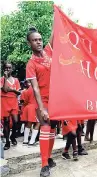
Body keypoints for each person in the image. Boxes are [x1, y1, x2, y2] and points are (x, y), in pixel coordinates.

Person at [26, 27, 57, 177]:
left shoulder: (49, 52)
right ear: (29, 43)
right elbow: (36, 89)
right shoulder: (30, 64)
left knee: (52, 130)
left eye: (39, 39)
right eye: (34, 40)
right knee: (45, 128)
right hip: (42, 101)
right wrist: (42, 108)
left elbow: (54, 32)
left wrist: (56, 14)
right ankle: (44, 165)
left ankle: (49, 157)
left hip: (56, 100)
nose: (38, 42)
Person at [1, 61, 20, 150]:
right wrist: (5, 78)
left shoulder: (16, 80)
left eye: (9, 68)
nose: (8, 69)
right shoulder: (1, 79)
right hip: (4, 101)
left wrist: (12, 90)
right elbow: (4, 89)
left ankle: (13, 136)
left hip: (13, 101)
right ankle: (7, 141)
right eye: (6, 68)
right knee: (6, 122)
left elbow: (18, 92)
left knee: (16, 121)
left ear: (12, 69)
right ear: (3, 69)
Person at [20, 81, 40, 146]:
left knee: (28, 123)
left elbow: (24, 102)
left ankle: (25, 140)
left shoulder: (27, 90)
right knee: (37, 123)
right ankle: (32, 141)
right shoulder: (39, 87)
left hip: (28, 107)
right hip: (36, 107)